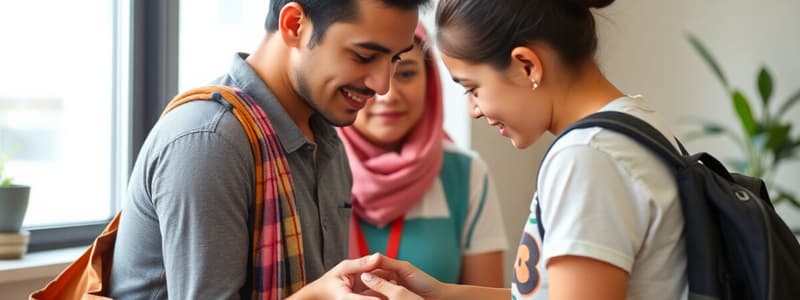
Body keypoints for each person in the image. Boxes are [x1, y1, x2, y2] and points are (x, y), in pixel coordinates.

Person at [355, 0, 689, 299]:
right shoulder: (630, 127)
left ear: (526, 66)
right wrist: (442, 295)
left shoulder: (587, 156)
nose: (473, 109)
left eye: (472, 89)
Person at [106, 0, 429, 299]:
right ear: (294, 25)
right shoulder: (211, 140)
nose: (382, 85)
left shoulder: (327, 142)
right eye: (364, 56)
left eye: (395, 59)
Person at [338, 24, 508, 287]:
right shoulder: (315, 166)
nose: (388, 95)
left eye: (405, 73)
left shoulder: (465, 174)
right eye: (369, 71)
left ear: (430, 82)